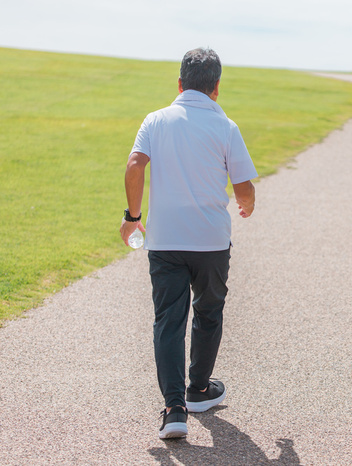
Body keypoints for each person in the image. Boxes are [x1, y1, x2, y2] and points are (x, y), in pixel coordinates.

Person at [119, 47, 257, 439]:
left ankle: (174, 408)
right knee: (209, 312)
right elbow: (244, 188)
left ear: (179, 84)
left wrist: (132, 217)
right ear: (216, 88)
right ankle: (198, 389)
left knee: (169, 321)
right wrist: (247, 205)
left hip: (165, 241)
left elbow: (134, 165)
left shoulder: (156, 120)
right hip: (211, 242)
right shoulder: (226, 127)